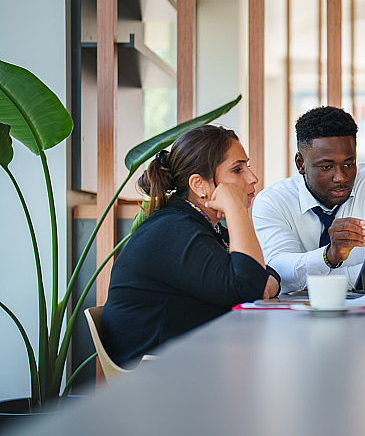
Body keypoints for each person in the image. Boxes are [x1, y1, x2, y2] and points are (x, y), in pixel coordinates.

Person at [103, 125, 281, 367]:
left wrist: (260, 283)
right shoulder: (174, 229)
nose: (253, 178)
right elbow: (249, 286)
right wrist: (235, 207)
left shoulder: (201, 224)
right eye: (238, 169)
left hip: (193, 359)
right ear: (199, 185)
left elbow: (262, 274)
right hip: (155, 372)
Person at [252, 106, 365, 292]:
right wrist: (329, 257)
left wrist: (316, 280)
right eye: (326, 167)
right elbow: (279, 272)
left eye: (349, 164)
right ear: (300, 164)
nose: (341, 177)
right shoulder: (272, 201)